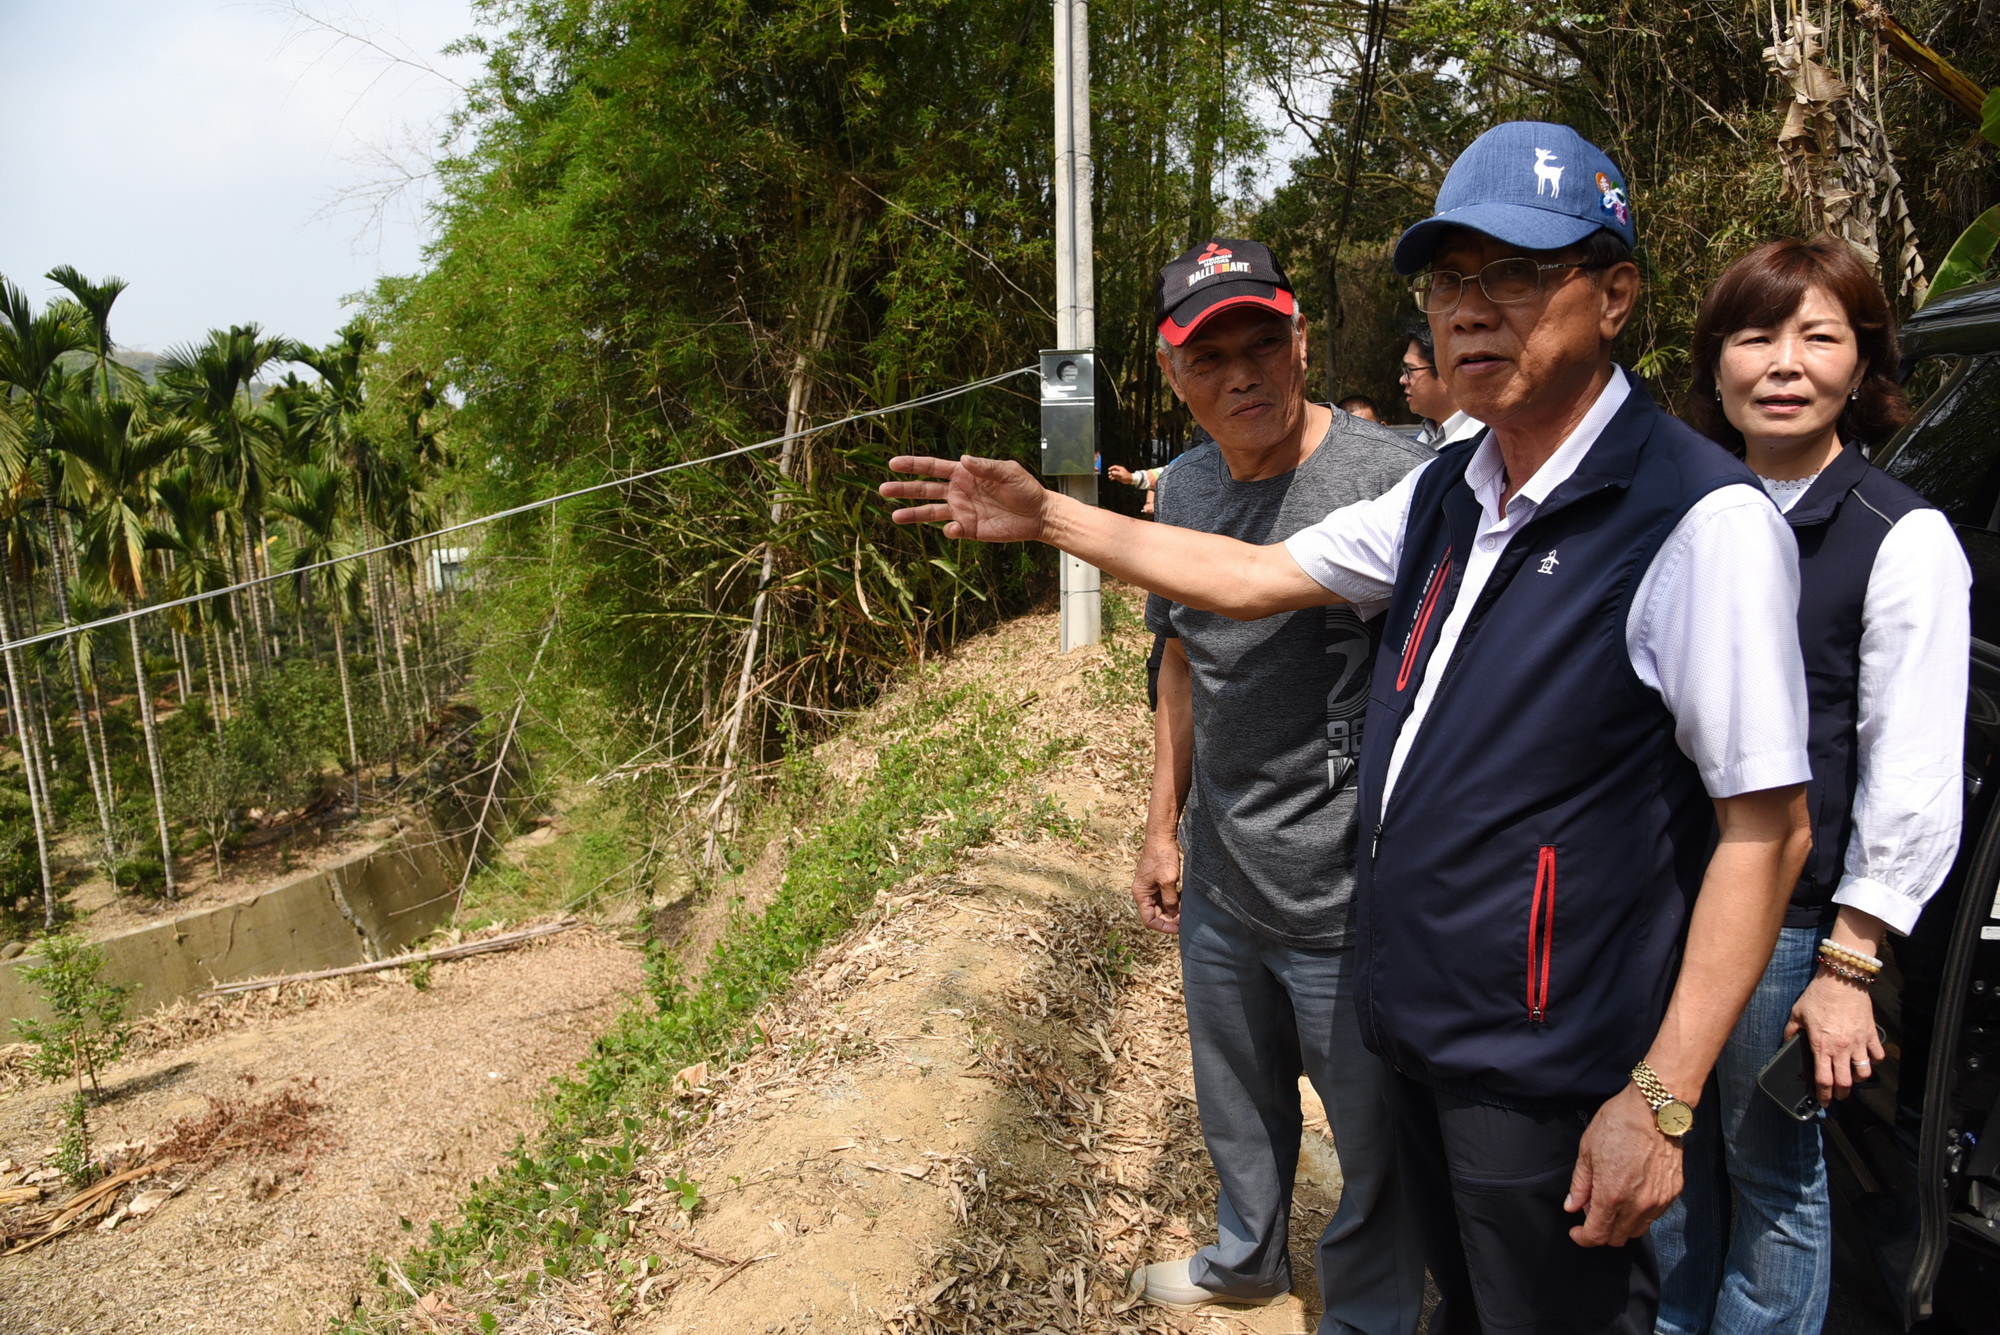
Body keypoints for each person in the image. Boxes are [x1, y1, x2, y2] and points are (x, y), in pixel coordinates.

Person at [883, 120, 1813, 1335]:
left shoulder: (1696, 519)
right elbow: (1249, 579)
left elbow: (1765, 829)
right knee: (1465, 1296)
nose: (1470, 313)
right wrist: (1050, 520)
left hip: (1543, 1054)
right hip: (1416, 1010)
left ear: (1616, 293)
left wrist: (1665, 1093)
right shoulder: (1450, 490)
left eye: (1518, 275)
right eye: (1448, 281)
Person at [1651, 237, 1970, 1335]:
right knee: (1663, 1153)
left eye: (1816, 337)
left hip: (1792, 929)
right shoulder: (1677, 514)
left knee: (1773, 1178)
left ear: (1861, 364)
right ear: (1714, 362)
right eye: (1754, 335)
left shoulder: (1899, 536)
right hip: (1656, 910)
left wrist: (1846, 964)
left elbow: (1912, 772)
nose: (1782, 364)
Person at [1122, 238, 1429, 1330]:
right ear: (1172, 376)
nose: (1241, 376)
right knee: (1237, 1107)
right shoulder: (1187, 488)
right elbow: (1177, 657)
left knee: (1373, 1136)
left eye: (1263, 346)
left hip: (1350, 892)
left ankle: (1367, 1313)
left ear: (1302, 345)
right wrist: (1162, 827)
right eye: (1210, 360)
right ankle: (1245, 1261)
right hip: (1223, 872)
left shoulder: (1388, 479)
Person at [1401, 320, 1482, 447]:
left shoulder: (1486, 443)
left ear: (1445, 371)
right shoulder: (1415, 443)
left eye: (1410, 370)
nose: (1402, 380)